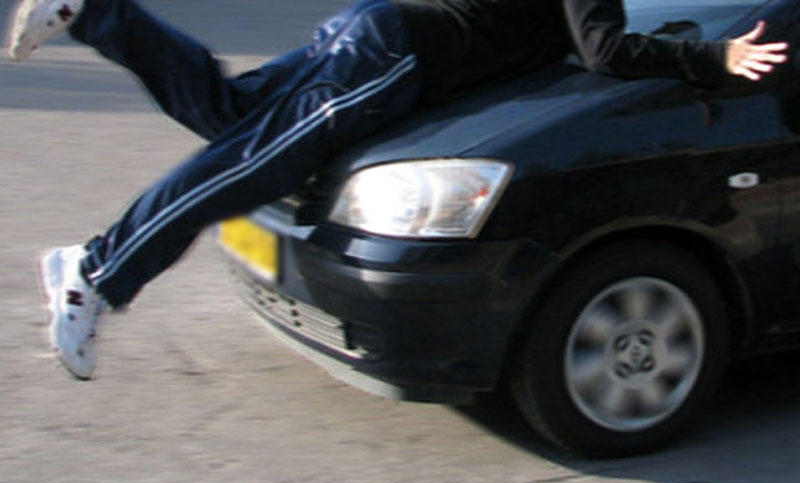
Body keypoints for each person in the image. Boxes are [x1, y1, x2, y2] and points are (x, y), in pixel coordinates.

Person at [7, 0, 789, 380]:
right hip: (398, 57)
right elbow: (606, 47)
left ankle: (99, 12)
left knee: (228, 112)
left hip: (376, 31)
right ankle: (98, 271)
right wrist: (712, 59)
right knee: (248, 168)